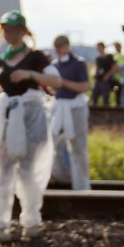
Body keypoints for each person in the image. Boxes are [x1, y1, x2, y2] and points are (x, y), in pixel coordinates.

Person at [0, 10, 61, 240]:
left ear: (23, 32)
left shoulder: (36, 57)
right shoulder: (3, 57)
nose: (9, 33)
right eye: (6, 29)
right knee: (2, 170)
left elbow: (56, 81)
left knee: (30, 172)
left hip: (31, 117)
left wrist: (29, 74)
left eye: (13, 30)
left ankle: (31, 220)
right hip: (8, 119)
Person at [48, 35, 91, 190]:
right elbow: (53, 88)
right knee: (54, 144)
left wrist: (63, 82)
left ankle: (82, 184)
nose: (58, 51)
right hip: (59, 106)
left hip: (75, 107)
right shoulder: (54, 65)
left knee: (78, 146)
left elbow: (84, 86)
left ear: (67, 46)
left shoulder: (79, 63)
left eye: (60, 47)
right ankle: (61, 177)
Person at [92, 42, 117, 107]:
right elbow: (96, 67)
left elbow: (114, 67)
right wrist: (94, 74)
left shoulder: (109, 56)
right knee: (94, 97)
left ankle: (106, 115)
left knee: (106, 99)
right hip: (98, 80)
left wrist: (107, 75)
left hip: (106, 81)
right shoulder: (98, 58)